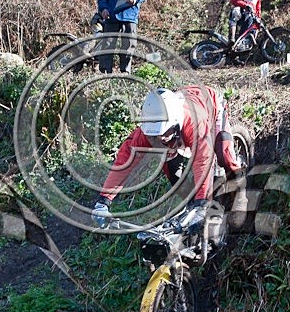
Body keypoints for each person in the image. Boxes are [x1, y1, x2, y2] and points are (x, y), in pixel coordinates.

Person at [92, 86, 244, 227]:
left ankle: (240, 190)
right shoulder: (149, 130)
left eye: (163, 133)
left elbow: (203, 161)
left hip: (209, 105)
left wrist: (202, 203)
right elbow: (124, 162)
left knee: (224, 155)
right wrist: (103, 201)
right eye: (154, 135)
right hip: (179, 116)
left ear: (175, 124)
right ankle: (193, 213)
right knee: (176, 179)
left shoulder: (195, 123)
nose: (159, 139)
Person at [97, 0, 149, 74]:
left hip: (130, 16)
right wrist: (103, 9)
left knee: (128, 45)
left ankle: (125, 72)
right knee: (108, 45)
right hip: (111, 16)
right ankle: (105, 72)